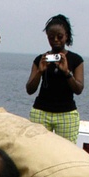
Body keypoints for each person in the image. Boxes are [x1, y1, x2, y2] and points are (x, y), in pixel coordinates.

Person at [25, 14, 84, 142]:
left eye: (60, 36)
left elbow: (79, 89)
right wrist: (40, 71)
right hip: (41, 111)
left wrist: (67, 72)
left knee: (66, 153)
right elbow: (30, 89)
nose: (56, 40)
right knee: (37, 149)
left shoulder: (76, 60)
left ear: (67, 36)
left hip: (66, 113)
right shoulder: (40, 59)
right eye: (51, 37)